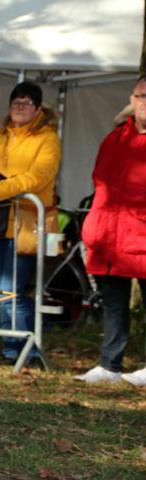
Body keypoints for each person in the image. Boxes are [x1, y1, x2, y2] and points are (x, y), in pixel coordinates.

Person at [0, 81, 61, 367]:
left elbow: (39, 177)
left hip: (28, 224)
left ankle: (24, 351)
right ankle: (14, 349)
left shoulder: (48, 138)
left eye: (27, 103)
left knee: (10, 289)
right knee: (4, 288)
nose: (20, 108)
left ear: (38, 108)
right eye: (16, 103)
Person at [74, 76, 146, 385]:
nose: (145, 101)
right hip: (112, 237)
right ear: (132, 99)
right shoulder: (115, 138)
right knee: (114, 305)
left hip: (140, 235)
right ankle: (109, 365)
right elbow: (100, 185)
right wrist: (94, 227)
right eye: (142, 95)